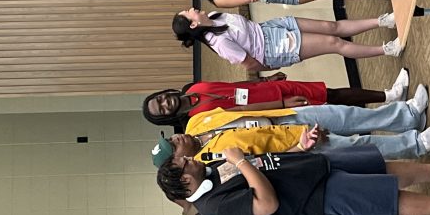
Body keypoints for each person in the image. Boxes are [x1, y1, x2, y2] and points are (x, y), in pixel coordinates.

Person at [156, 138, 430, 215]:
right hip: (311, 202)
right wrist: (240, 161)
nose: (187, 159)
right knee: (384, 198)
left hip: (309, 171)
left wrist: (299, 147)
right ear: (183, 182)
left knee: (378, 168)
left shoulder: (211, 173)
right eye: (182, 164)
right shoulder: (214, 208)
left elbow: (262, 165)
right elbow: (266, 204)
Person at [151, 112, 430, 165]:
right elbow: (259, 161)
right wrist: (299, 147)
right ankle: (416, 145)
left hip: (280, 119)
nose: (176, 138)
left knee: (347, 116)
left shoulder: (195, 123)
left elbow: (236, 110)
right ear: (178, 159)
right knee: (356, 146)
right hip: (294, 146)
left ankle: (407, 116)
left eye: (170, 138)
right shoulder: (209, 162)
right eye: (172, 146)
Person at [141, 70, 411, 127]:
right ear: (167, 117)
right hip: (274, 107)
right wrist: (281, 105)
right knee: (333, 110)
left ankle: (389, 95)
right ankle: (395, 113)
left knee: (330, 93)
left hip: (269, 89)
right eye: (162, 108)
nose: (165, 102)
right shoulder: (197, 118)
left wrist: (264, 81)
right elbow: (244, 113)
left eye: (160, 98)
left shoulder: (192, 87)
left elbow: (232, 87)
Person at [171, 5, 400, 63]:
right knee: (334, 43)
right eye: (188, 13)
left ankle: (381, 21)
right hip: (272, 48)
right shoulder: (219, 43)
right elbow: (250, 64)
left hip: (269, 28)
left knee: (330, 27)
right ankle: (387, 50)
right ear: (193, 25)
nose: (192, 9)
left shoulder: (215, 15)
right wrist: (272, 68)